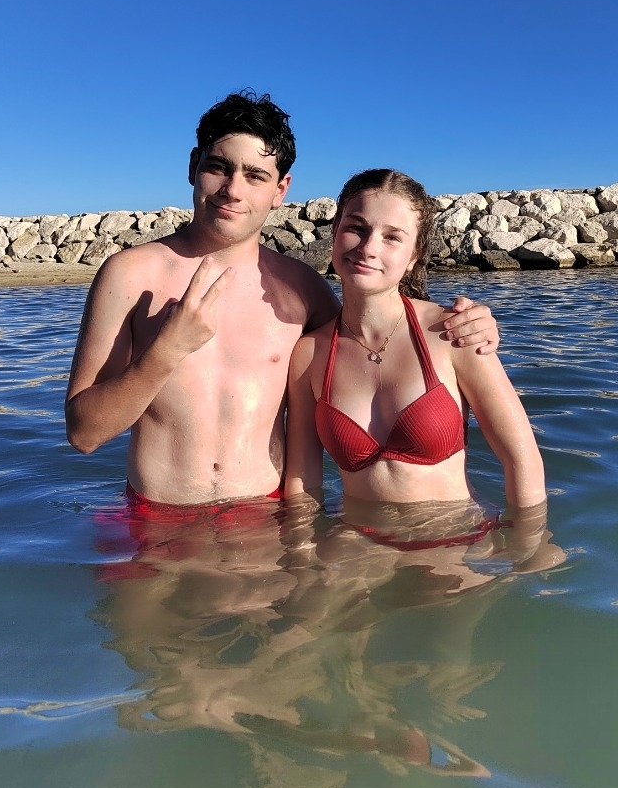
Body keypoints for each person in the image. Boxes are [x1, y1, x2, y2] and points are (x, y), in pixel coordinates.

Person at [66, 93, 500, 506]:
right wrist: (166, 352)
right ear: (194, 165)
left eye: (255, 176)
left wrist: (469, 326)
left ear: (280, 190)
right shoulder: (129, 275)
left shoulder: (301, 288)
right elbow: (84, 435)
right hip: (155, 517)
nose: (233, 190)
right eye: (218, 167)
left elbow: (374, 345)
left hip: (267, 521)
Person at [285, 169, 546, 510]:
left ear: (413, 257)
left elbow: (521, 458)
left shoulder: (453, 332)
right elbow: (302, 481)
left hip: (452, 535)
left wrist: (528, 538)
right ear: (335, 233)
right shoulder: (309, 354)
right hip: (355, 539)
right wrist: (303, 542)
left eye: (392, 237)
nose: (368, 248)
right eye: (356, 228)